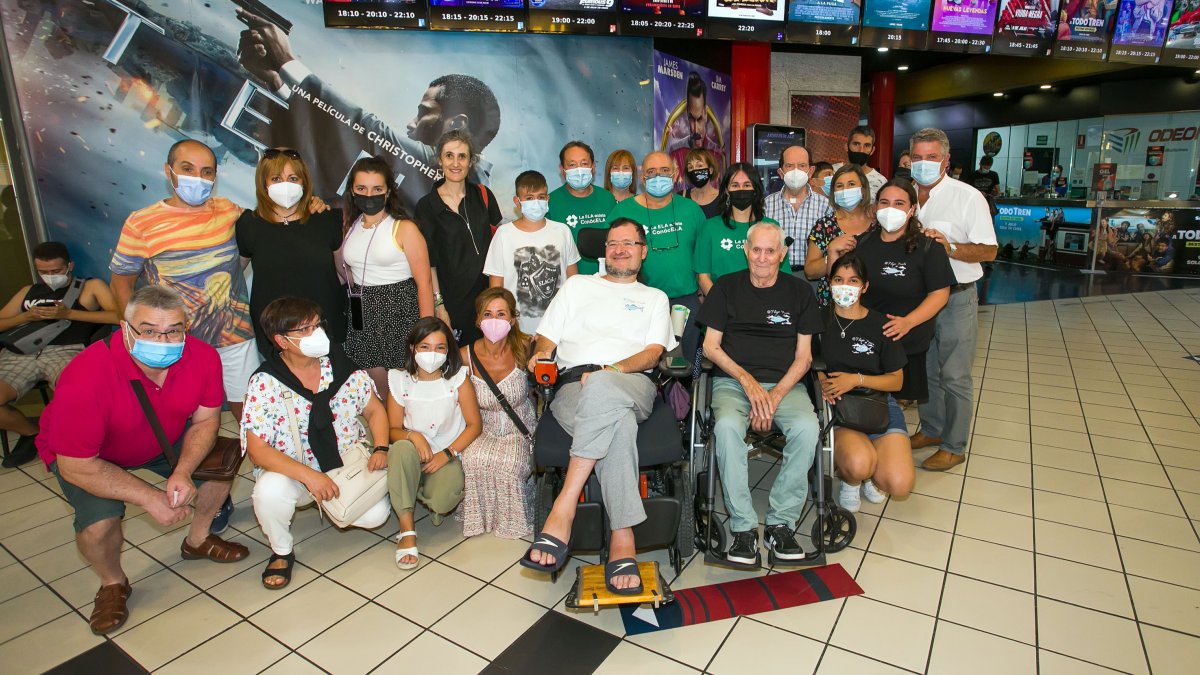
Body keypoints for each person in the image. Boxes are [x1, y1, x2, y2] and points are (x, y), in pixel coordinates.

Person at [36, 286, 248, 634]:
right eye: (148, 330)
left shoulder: (203, 356)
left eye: (173, 331)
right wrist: (150, 498)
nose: (162, 341)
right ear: (125, 328)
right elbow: (75, 464)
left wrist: (183, 471)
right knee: (99, 526)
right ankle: (112, 583)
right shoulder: (85, 375)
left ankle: (198, 539)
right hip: (94, 457)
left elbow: (206, 420)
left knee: (221, 463)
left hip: (161, 435)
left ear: (186, 327)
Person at [521, 218, 674, 594]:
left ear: (643, 250)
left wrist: (611, 371)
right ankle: (623, 537)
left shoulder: (654, 297)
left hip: (631, 381)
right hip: (573, 385)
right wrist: (541, 355)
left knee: (605, 386)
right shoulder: (576, 286)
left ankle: (564, 508)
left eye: (628, 243)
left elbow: (654, 352)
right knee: (619, 425)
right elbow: (546, 338)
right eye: (612, 243)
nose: (619, 250)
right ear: (604, 251)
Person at [236, 9, 500, 212]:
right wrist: (278, 83)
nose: (411, 124)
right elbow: (344, 151)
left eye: (424, 113)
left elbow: (368, 129)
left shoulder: (463, 182)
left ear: (457, 123)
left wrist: (287, 62)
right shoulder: (462, 182)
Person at [696, 221, 824, 565]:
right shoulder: (726, 287)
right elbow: (710, 347)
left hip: (785, 384)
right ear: (746, 250)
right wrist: (748, 383)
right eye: (756, 250)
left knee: (808, 428)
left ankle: (781, 523)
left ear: (783, 254)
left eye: (771, 251)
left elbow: (804, 358)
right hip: (733, 382)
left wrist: (775, 395)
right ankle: (743, 528)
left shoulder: (800, 292)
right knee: (726, 427)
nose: (763, 258)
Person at [242, 297, 391, 589]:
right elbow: (258, 451)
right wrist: (310, 477)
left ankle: (333, 503)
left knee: (376, 516)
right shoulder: (266, 382)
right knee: (268, 493)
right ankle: (281, 551)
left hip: (344, 462)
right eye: (304, 330)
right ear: (281, 341)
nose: (316, 334)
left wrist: (382, 447)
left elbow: (374, 410)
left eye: (317, 325)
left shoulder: (341, 367)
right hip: (294, 470)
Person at [110, 140, 258, 423]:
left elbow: (264, 232)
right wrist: (132, 333)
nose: (197, 178)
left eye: (206, 172)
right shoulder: (141, 223)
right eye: (187, 169)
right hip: (174, 340)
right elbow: (121, 284)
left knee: (249, 410)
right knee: (183, 416)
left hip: (234, 335)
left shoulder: (228, 210)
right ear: (169, 171)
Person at [908, 128, 997, 472]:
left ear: (945, 160)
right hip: (919, 299)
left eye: (932, 157)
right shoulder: (904, 195)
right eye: (918, 157)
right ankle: (931, 429)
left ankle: (954, 445)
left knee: (955, 374)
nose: (924, 164)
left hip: (956, 297)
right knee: (927, 369)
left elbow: (988, 250)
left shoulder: (968, 197)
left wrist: (951, 247)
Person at [0, 242, 118, 467]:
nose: (50, 276)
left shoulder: (90, 286)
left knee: (77, 399)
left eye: (56, 271)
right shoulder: (28, 291)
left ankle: (77, 446)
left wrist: (69, 314)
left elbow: (119, 316)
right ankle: (31, 433)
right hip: (21, 352)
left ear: (69, 266)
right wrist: (25, 317)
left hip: (68, 350)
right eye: (43, 272)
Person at [819, 255, 913, 513]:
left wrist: (856, 379)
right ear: (829, 283)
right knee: (859, 464)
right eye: (838, 279)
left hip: (878, 402)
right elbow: (806, 361)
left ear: (865, 286)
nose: (845, 286)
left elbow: (897, 381)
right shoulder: (818, 321)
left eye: (853, 280)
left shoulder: (882, 324)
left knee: (899, 484)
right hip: (840, 407)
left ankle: (873, 474)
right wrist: (822, 380)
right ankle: (852, 480)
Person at [851, 180, 955, 409]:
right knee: (867, 406)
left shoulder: (929, 247)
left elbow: (939, 294)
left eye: (899, 203)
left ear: (912, 209)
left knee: (897, 405)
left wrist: (908, 322)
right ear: (875, 207)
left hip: (906, 340)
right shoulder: (862, 244)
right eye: (884, 202)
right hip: (867, 340)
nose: (891, 209)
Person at [386, 318, 480, 569]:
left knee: (443, 499)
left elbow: (474, 425)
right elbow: (392, 430)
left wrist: (448, 453)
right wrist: (413, 436)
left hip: (446, 454)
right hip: (411, 452)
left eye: (440, 348)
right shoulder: (399, 380)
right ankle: (407, 530)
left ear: (448, 350)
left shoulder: (458, 379)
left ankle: (409, 487)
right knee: (402, 448)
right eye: (425, 347)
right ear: (413, 348)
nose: (432, 354)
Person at [236, 148, 347, 359]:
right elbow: (232, 275)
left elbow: (344, 273)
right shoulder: (249, 224)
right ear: (264, 182)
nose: (285, 185)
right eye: (276, 178)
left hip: (324, 329)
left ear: (304, 181)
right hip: (275, 336)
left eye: (293, 178)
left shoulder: (326, 219)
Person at [340, 156, 435, 398]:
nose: (369, 195)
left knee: (404, 389)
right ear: (352, 190)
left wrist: (427, 332)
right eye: (362, 188)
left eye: (377, 189)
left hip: (400, 311)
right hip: (362, 314)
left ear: (388, 191)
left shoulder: (404, 228)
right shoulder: (350, 225)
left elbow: (424, 283)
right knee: (377, 389)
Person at [606, 151, 706, 360]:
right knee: (641, 361)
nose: (658, 176)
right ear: (642, 177)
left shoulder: (691, 210)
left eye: (664, 170)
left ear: (675, 174)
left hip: (684, 303)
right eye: (651, 172)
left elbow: (703, 258)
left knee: (681, 364)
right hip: (638, 302)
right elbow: (611, 255)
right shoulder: (623, 212)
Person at [458, 288, 537, 539]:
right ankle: (482, 519)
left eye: (501, 314)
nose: (494, 320)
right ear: (478, 320)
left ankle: (513, 521)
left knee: (510, 464)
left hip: (519, 425)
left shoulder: (525, 348)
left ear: (512, 319)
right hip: (482, 425)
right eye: (488, 314)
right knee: (473, 459)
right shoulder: (465, 356)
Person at [413, 130, 502, 345]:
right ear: (440, 160)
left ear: (471, 161)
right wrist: (439, 306)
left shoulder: (483, 195)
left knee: (487, 360)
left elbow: (500, 246)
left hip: (487, 304)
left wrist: (498, 299)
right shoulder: (427, 206)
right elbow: (429, 264)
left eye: (462, 156)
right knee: (455, 361)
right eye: (449, 155)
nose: (455, 163)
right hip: (452, 306)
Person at [484, 170, 580, 334]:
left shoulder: (562, 231)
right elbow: (495, 290)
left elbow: (573, 281)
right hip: (518, 330)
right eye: (529, 198)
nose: (536, 202)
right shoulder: (504, 234)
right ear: (517, 201)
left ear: (547, 199)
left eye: (541, 197)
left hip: (558, 327)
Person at [696, 163, 786, 295]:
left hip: (765, 301)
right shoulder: (709, 228)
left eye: (747, 185)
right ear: (726, 190)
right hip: (722, 302)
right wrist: (720, 302)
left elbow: (783, 276)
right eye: (735, 185)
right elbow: (703, 277)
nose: (741, 189)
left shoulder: (772, 227)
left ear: (755, 189)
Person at [804, 164, 876, 306]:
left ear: (863, 189)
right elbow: (810, 272)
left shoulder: (877, 223)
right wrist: (832, 254)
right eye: (839, 186)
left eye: (851, 184)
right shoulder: (824, 225)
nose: (845, 190)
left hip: (873, 302)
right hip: (832, 303)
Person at [548, 141, 616, 276]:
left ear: (593, 167)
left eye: (584, 163)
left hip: (606, 279)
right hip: (567, 282)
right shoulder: (551, 202)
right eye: (572, 165)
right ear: (562, 169)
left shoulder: (607, 198)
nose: (579, 170)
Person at [764, 144, 832, 275]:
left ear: (810, 171)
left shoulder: (826, 206)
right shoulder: (766, 205)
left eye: (802, 165)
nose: (796, 171)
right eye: (789, 166)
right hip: (775, 275)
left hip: (813, 278)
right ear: (781, 173)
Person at [664, 72, 724, 181]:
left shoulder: (717, 153)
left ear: (706, 114)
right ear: (687, 113)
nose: (695, 129)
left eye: (699, 119)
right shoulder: (675, 152)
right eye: (691, 118)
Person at [833, 126, 888, 199]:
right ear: (846, 147)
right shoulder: (832, 172)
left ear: (872, 150)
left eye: (867, 145)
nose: (861, 150)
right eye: (856, 144)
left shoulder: (881, 181)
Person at [683, 148, 726, 219]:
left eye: (699, 166)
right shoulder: (681, 196)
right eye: (690, 167)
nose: (694, 170)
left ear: (710, 170)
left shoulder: (724, 198)